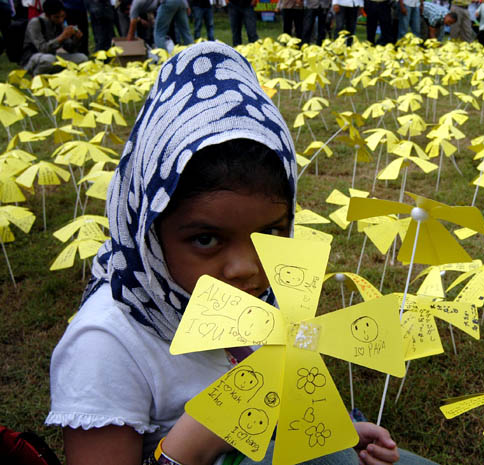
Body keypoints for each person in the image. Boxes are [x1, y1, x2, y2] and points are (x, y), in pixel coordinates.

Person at [46, 42, 437, 465]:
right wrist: (190, 446)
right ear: (150, 230)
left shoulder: (253, 301)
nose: (246, 270)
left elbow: (271, 410)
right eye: (206, 240)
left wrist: (331, 434)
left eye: (271, 232)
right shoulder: (106, 344)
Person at [20, 0, 88, 75]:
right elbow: (42, 49)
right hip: (33, 57)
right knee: (49, 60)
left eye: (63, 16)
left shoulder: (59, 23)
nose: (60, 20)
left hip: (52, 56)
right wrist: (61, 37)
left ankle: (54, 73)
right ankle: (37, 76)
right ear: (47, 15)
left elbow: (70, 49)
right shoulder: (36, 23)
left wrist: (76, 39)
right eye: (57, 17)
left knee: (82, 58)